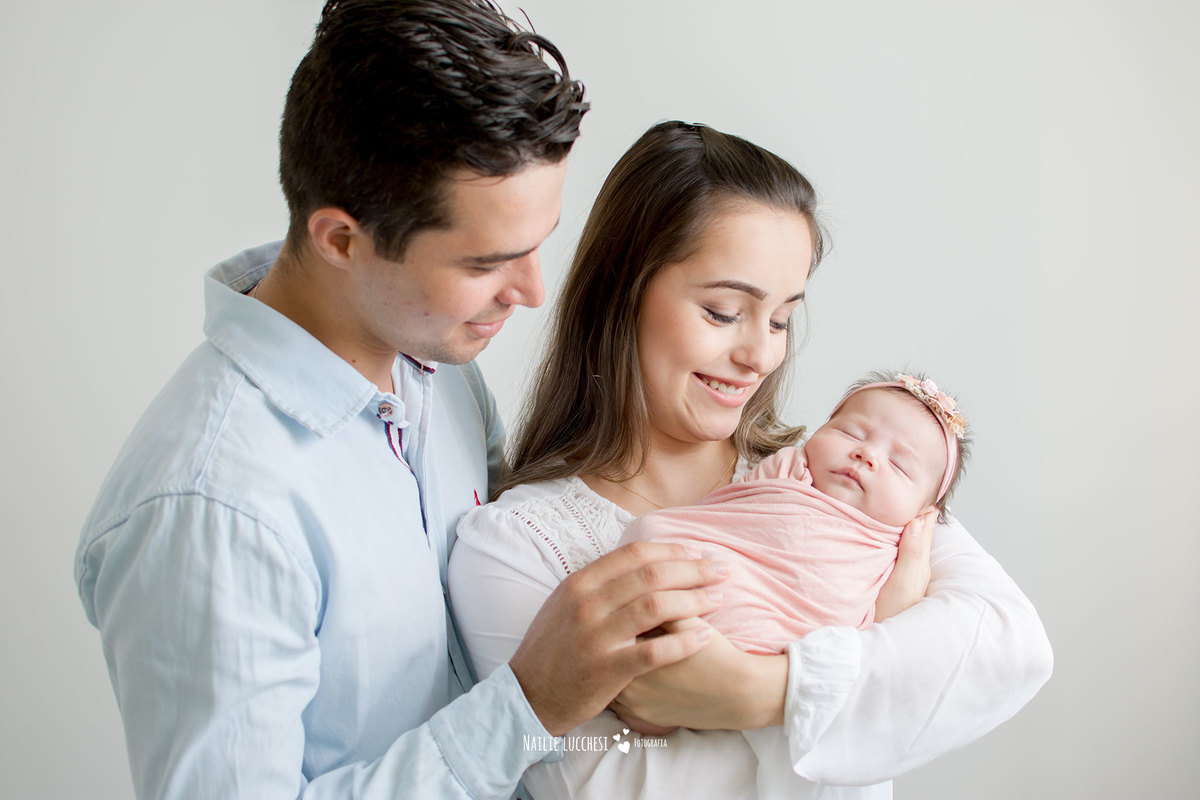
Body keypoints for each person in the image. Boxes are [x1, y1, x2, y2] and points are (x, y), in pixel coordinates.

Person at [74, 4, 733, 798]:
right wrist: (531, 705)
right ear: (341, 240)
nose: (531, 291)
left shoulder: (436, 368)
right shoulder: (212, 508)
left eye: (538, 243)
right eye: (486, 262)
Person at [449, 121, 1053, 799]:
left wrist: (760, 690)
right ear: (620, 293)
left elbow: (1011, 649)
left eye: (780, 319)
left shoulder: (844, 480)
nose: (761, 355)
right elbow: (599, 776)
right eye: (722, 311)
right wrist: (873, 683)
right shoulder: (518, 547)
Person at [621, 370, 972, 660]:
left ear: (924, 512)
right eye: (851, 433)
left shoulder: (902, 548)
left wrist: (908, 572)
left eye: (899, 465)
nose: (867, 455)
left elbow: (886, 627)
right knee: (656, 534)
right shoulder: (792, 467)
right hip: (733, 571)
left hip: (798, 629)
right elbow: (726, 516)